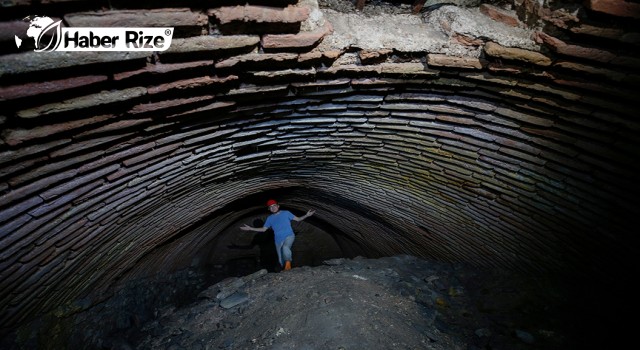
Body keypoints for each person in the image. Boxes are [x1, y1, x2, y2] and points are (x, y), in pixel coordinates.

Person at [240, 199, 315, 271]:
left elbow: (298, 219)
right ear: (269, 209)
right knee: (281, 260)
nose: (273, 208)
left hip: (289, 235)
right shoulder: (269, 218)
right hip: (278, 240)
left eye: (274, 205)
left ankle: (288, 264)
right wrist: (250, 228)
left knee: (286, 247)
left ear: (278, 206)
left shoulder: (286, 213)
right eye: (271, 207)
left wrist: (307, 215)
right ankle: (285, 270)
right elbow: (263, 229)